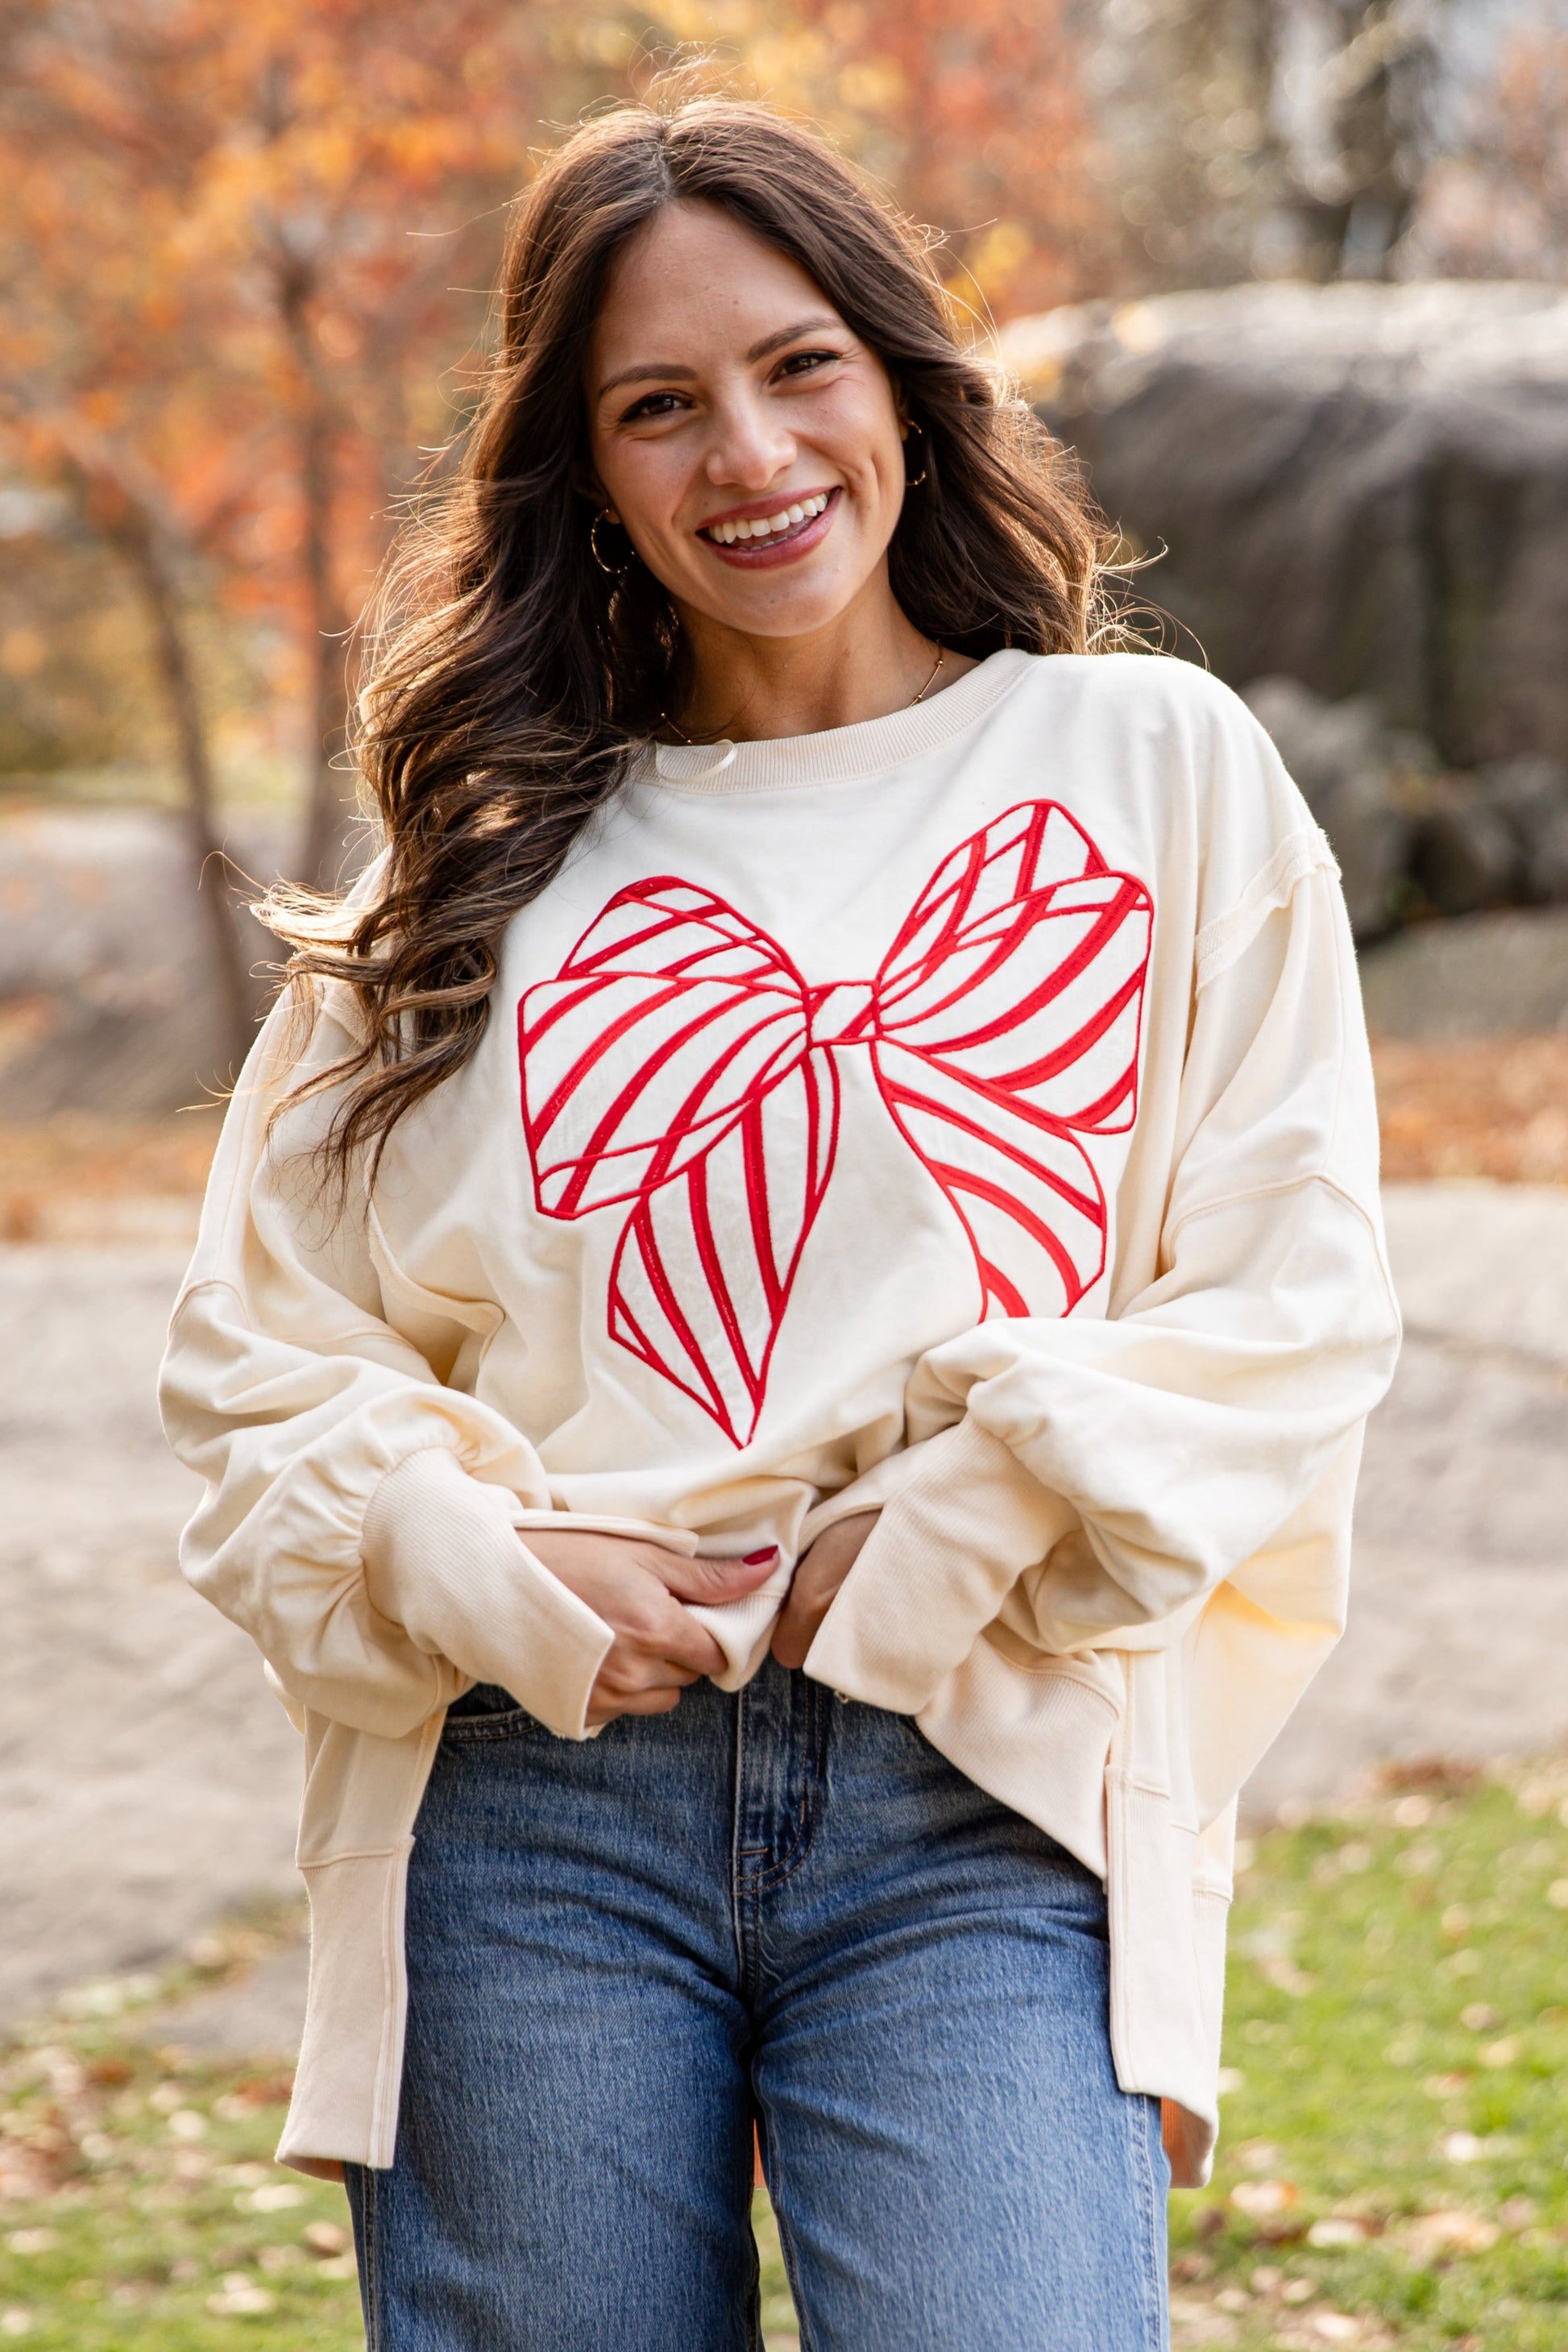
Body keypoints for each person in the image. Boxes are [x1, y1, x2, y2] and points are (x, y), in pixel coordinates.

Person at [160, 90, 1401, 2352]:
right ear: (588, 470)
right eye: (660, 405)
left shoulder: (1154, 771)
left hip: (984, 1779)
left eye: (797, 364)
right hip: (526, 1807)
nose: (747, 454)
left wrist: (942, 1525)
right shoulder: (484, 862)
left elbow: (1294, 1295)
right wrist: (485, 1567)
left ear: (903, 381)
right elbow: (258, 1354)